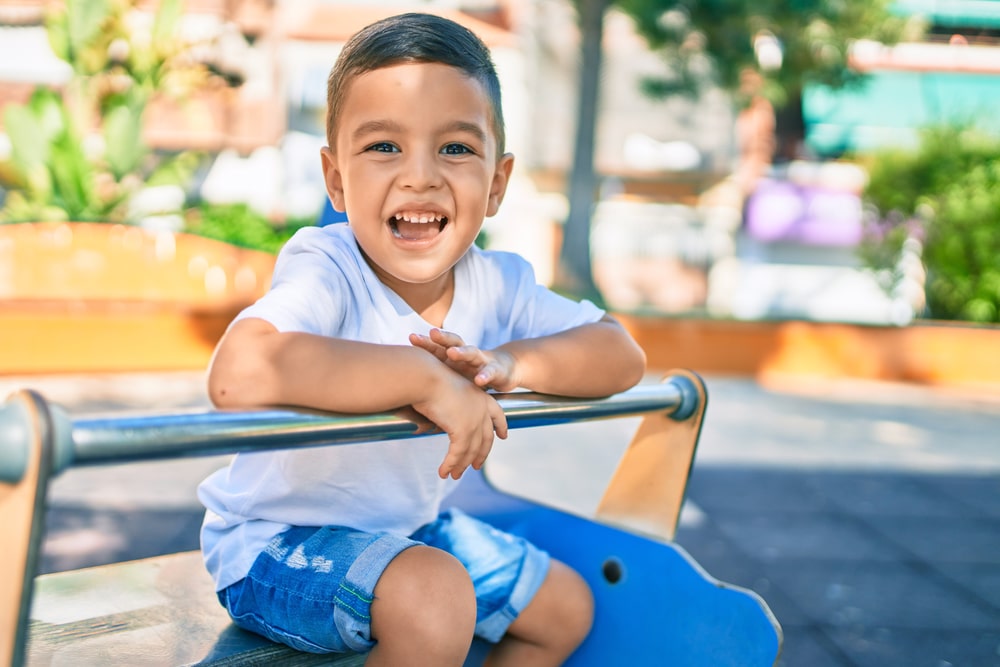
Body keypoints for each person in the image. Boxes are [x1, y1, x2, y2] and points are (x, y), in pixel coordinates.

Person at [198, 12, 646, 667]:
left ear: (496, 183)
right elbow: (238, 372)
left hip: (404, 528)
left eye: (456, 149)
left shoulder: (499, 282)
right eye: (384, 146)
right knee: (435, 597)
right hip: (273, 542)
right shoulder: (328, 267)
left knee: (564, 608)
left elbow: (620, 353)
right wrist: (426, 377)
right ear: (336, 179)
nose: (420, 177)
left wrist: (510, 362)